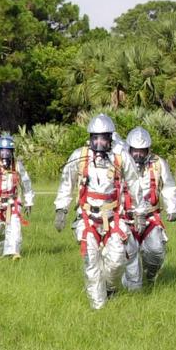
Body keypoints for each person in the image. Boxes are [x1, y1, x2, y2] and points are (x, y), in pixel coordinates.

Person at [53, 114, 143, 310]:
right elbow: (66, 183)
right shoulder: (79, 156)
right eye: (96, 138)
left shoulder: (121, 157)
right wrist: (61, 209)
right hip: (87, 219)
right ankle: (98, 307)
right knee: (91, 263)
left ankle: (110, 287)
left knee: (117, 261)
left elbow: (135, 184)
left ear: (110, 138)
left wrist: (139, 213)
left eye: (103, 138)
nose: (99, 142)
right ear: (90, 137)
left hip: (114, 218)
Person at [122, 126, 176, 290]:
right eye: (135, 150)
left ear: (148, 150)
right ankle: (132, 289)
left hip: (150, 216)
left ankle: (151, 275)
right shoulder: (120, 163)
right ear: (129, 148)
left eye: (142, 150)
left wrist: (172, 208)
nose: (138, 154)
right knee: (129, 254)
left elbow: (169, 186)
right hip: (126, 217)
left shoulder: (158, 163)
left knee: (156, 251)